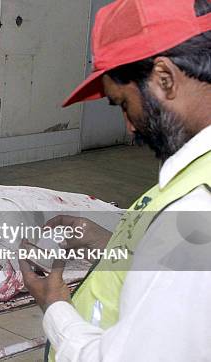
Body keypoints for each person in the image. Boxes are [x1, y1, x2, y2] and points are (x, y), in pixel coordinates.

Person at [19, 0, 211, 360]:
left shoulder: (195, 215)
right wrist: (115, 243)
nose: (128, 125)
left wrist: (56, 305)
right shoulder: (197, 176)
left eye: (123, 104)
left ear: (165, 78)